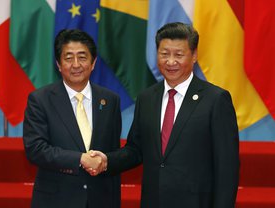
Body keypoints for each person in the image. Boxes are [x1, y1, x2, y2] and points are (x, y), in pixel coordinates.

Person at [90, 22, 240, 208]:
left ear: (194, 56)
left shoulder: (216, 99)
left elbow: (227, 166)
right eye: (164, 54)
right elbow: (135, 150)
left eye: (178, 55)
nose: (170, 62)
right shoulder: (146, 98)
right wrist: (106, 161)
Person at [23, 29, 121, 208]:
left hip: (101, 198)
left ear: (93, 63)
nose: (76, 64)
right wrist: (80, 159)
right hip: (57, 200)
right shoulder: (40, 100)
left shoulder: (110, 100)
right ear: (59, 64)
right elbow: (36, 149)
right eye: (68, 58)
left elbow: (113, 150)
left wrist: (105, 162)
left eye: (82, 57)